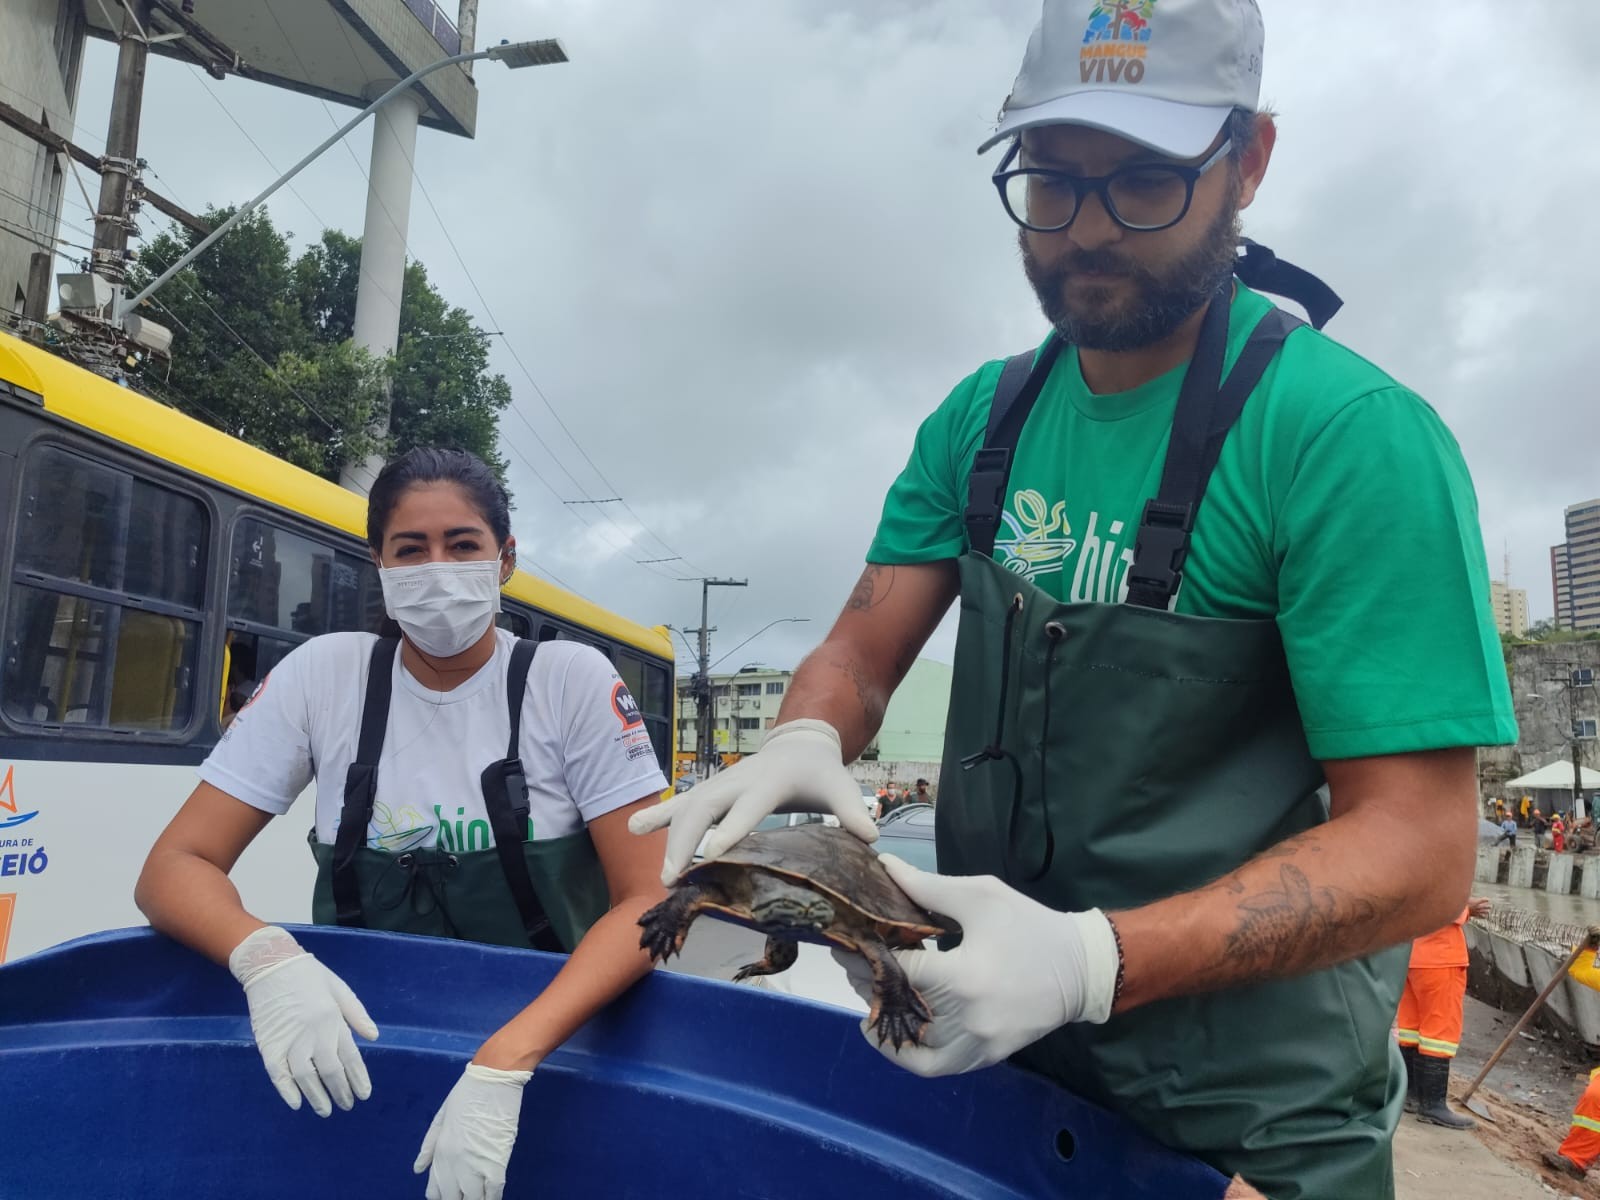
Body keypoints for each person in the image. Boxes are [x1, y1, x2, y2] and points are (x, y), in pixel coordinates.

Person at [632, 1, 1515, 1194]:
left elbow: (1418, 849)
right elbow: (859, 644)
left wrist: (1091, 961)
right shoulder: (979, 424)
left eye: (1142, 181)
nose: (1088, 230)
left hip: (1248, 1127)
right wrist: (804, 731)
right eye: (1051, 180)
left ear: (1246, 161)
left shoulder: (1346, 440)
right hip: (1000, 1075)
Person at [135, 448, 670, 1200]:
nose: (437, 569)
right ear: (378, 564)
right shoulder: (325, 677)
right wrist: (266, 960)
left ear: (505, 558)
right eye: (410, 550)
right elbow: (173, 867)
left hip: (555, 1052)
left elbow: (649, 901)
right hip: (362, 1054)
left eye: (462, 545)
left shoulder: (567, 682)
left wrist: (506, 1059)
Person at [1397, 897, 1491, 1129]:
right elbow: (1438, 905)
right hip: (1439, 957)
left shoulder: (1406, 866)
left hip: (1409, 956)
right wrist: (1466, 909)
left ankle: (1411, 1095)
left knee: (1411, 1029)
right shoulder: (1437, 867)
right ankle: (1432, 1105)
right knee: (1439, 1035)